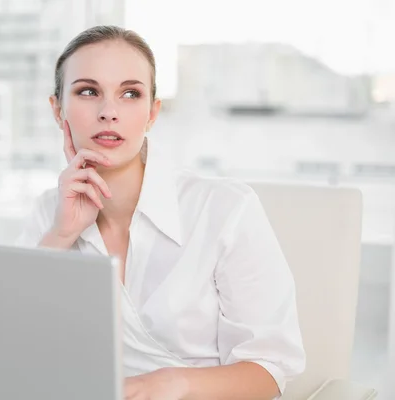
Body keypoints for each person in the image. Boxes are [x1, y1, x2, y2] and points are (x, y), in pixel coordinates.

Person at [15, 25, 305, 400]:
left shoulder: (224, 210)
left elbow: (269, 373)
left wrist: (170, 384)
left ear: (152, 113)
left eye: (130, 94)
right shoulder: (49, 213)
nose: (109, 112)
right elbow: (12, 348)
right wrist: (61, 235)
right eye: (88, 92)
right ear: (58, 110)